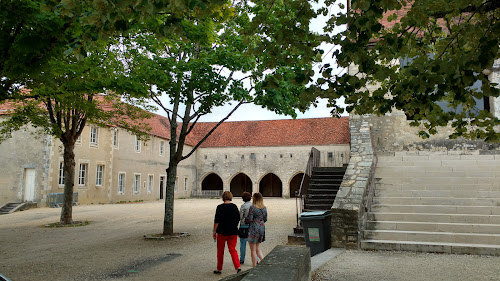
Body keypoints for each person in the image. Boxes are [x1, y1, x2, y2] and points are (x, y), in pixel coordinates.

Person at [213, 191, 241, 274]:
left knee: (220, 251)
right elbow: (238, 218)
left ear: (223, 197)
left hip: (222, 232)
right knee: (232, 250)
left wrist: (214, 231)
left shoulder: (220, 207)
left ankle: (219, 268)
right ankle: (238, 266)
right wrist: (234, 225)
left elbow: (216, 221)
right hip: (232, 231)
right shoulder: (234, 207)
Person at [247, 192, 267, 267]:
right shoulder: (264, 208)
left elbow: (250, 219)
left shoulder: (252, 207)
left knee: (253, 250)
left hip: (254, 228)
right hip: (261, 227)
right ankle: (265, 263)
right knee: (257, 248)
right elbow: (265, 218)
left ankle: (254, 266)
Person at [238, 192, 252, 264]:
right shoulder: (253, 205)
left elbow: (240, 217)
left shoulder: (243, 206)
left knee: (243, 244)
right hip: (252, 226)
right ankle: (256, 259)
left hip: (244, 226)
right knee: (253, 244)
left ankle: (242, 259)